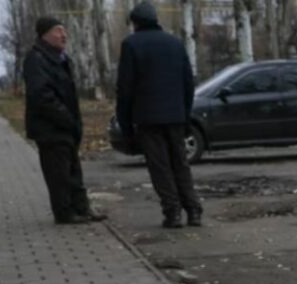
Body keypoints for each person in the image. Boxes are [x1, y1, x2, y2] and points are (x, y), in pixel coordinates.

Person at [116, 1, 203, 229]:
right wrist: (184, 114)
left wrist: (125, 125)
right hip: (175, 116)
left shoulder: (131, 45)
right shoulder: (174, 43)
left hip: (148, 118)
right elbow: (188, 83)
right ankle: (193, 210)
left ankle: (172, 212)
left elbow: (125, 88)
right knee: (180, 164)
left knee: (160, 167)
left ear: (135, 23)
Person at [22, 16, 105, 225]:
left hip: (67, 126)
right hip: (50, 128)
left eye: (64, 30)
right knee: (58, 174)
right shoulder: (36, 59)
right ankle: (64, 213)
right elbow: (41, 96)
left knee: (73, 169)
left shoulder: (61, 58)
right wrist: (66, 118)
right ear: (45, 34)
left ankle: (82, 207)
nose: (64, 35)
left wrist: (73, 122)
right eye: (58, 30)